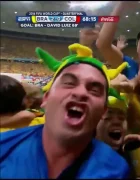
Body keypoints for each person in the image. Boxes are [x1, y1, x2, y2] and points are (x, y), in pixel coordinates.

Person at [0, 44, 129, 178]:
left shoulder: (116, 169)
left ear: (103, 111)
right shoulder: (3, 146)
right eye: (69, 83)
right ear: (46, 98)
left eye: (94, 90)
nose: (80, 93)